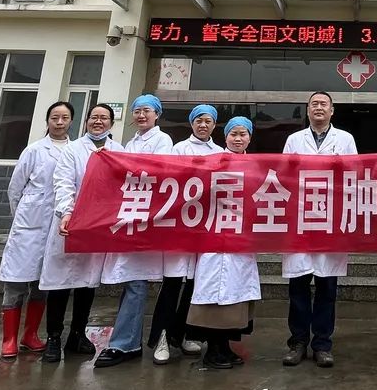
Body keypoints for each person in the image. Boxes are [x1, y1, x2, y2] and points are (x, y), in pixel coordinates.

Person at [39, 103, 124, 363]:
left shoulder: (119, 151)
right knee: (59, 283)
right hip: (71, 222)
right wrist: (67, 212)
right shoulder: (72, 150)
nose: (98, 122)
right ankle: (54, 337)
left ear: (111, 123)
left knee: (87, 283)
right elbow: (63, 183)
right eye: (94, 117)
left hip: (98, 225)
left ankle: (78, 334)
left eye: (104, 118)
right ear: (86, 121)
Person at [95, 94, 174, 368]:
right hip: (131, 215)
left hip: (147, 217)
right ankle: (127, 341)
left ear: (157, 115)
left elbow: (157, 172)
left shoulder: (162, 141)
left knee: (136, 281)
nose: (141, 115)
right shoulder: (130, 142)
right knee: (131, 280)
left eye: (147, 111)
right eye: (137, 111)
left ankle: (125, 344)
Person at [281, 91, 357, 369]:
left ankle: (323, 344)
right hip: (301, 217)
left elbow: (354, 176)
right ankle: (298, 342)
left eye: (324, 104)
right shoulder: (294, 140)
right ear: (307, 110)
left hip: (331, 219)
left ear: (332, 110)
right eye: (314, 104)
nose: (319, 108)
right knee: (298, 285)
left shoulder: (345, 139)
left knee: (327, 286)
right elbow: (284, 175)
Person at [150, 103, 225, 365]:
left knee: (195, 284)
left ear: (214, 125)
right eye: (198, 120)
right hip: (179, 227)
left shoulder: (220, 152)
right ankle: (161, 337)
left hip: (205, 228)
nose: (203, 125)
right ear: (191, 123)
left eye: (208, 121)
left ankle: (183, 335)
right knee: (172, 283)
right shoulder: (179, 149)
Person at [0, 101, 73, 361]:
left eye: (64, 118)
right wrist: (22, 217)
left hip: (56, 226)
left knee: (43, 283)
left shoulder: (74, 150)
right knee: (16, 282)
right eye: (55, 117)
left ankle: (30, 335)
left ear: (71, 121)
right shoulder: (34, 150)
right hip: (28, 226)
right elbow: (15, 189)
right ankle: (8, 339)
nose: (59, 122)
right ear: (47, 120)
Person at [186, 116, 262, 369]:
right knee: (215, 290)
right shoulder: (214, 162)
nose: (238, 139)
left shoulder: (256, 165)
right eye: (233, 134)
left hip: (242, 238)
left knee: (236, 291)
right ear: (225, 137)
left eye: (243, 134)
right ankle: (213, 349)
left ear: (250, 138)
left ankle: (225, 346)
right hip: (215, 235)